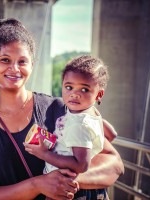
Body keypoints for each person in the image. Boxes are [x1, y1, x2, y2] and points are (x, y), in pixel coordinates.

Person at [0, 18, 124, 200]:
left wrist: (65, 181)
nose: (14, 69)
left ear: (32, 65)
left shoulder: (60, 108)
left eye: (22, 61)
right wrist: (38, 184)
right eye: (5, 60)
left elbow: (115, 165)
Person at [24, 55, 113, 199]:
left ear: (99, 94)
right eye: (69, 87)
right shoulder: (91, 113)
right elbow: (112, 134)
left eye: (84, 89)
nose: (74, 94)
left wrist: (44, 154)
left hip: (69, 188)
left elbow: (81, 165)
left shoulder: (78, 124)